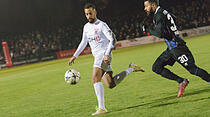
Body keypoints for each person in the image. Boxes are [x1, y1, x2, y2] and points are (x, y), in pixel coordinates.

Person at [68, 3, 144, 116]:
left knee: (95, 78)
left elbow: (112, 39)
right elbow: (84, 42)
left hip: (103, 55)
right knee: (110, 83)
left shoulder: (102, 25)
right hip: (99, 56)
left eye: (90, 13)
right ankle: (131, 69)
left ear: (95, 12)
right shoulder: (86, 27)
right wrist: (75, 55)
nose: (89, 16)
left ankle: (102, 108)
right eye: (86, 14)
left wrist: (107, 54)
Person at [140, 0, 210, 98]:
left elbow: (160, 34)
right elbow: (174, 19)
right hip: (171, 48)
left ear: (153, 5)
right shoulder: (164, 12)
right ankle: (181, 81)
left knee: (193, 69)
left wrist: (147, 29)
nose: (145, 9)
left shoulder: (159, 15)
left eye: (146, 6)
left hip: (177, 48)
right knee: (156, 67)